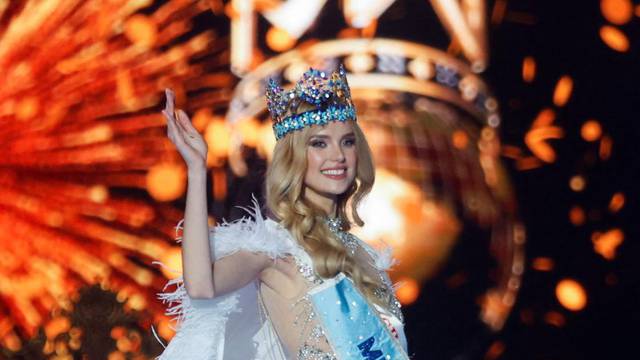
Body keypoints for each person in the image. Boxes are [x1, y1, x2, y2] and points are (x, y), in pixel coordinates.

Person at [157, 65, 409, 359]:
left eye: (347, 142)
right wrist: (197, 171)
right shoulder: (277, 247)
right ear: (294, 158)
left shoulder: (364, 255)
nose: (338, 155)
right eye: (319, 143)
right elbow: (202, 286)